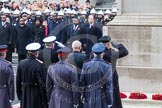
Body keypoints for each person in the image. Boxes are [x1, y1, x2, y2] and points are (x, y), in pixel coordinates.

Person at [80, 43, 113, 108]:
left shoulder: (86, 65)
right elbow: (108, 86)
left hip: (88, 95)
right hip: (102, 97)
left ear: (93, 53)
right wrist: (110, 101)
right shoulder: (107, 66)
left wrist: (83, 95)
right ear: (102, 53)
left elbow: (82, 82)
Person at [99, 36, 129, 108]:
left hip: (101, 75)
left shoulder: (97, 53)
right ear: (108, 44)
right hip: (112, 75)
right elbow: (125, 51)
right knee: (114, 93)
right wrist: (118, 45)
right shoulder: (112, 53)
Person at [16, 42, 47, 108]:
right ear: (36, 53)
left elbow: (18, 81)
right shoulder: (39, 65)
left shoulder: (21, 63)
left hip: (25, 92)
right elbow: (42, 84)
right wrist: (44, 99)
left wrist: (19, 95)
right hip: (36, 93)